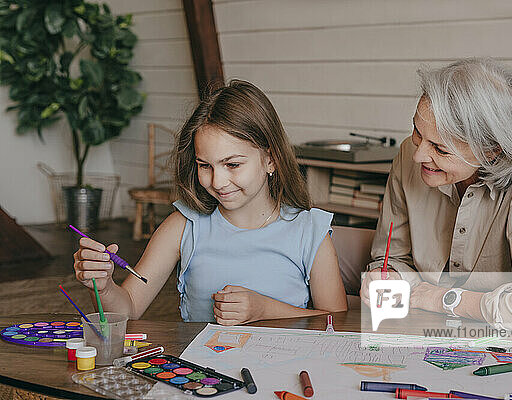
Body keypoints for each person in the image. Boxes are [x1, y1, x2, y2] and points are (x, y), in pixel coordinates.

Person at [73, 80, 347, 325]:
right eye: (205, 165)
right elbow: (129, 308)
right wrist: (105, 285)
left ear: (270, 159)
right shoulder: (183, 225)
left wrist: (264, 309)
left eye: (233, 164)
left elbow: (338, 322)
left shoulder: (310, 231)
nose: (217, 181)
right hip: (203, 377)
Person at [360, 58, 512, 328]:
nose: (418, 155)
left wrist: (445, 300)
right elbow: (393, 258)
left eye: (440, 149)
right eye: (417, 132)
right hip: (420, 328)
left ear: (492, 150)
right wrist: (390, 278)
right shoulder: (409, 154)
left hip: (507, 343)